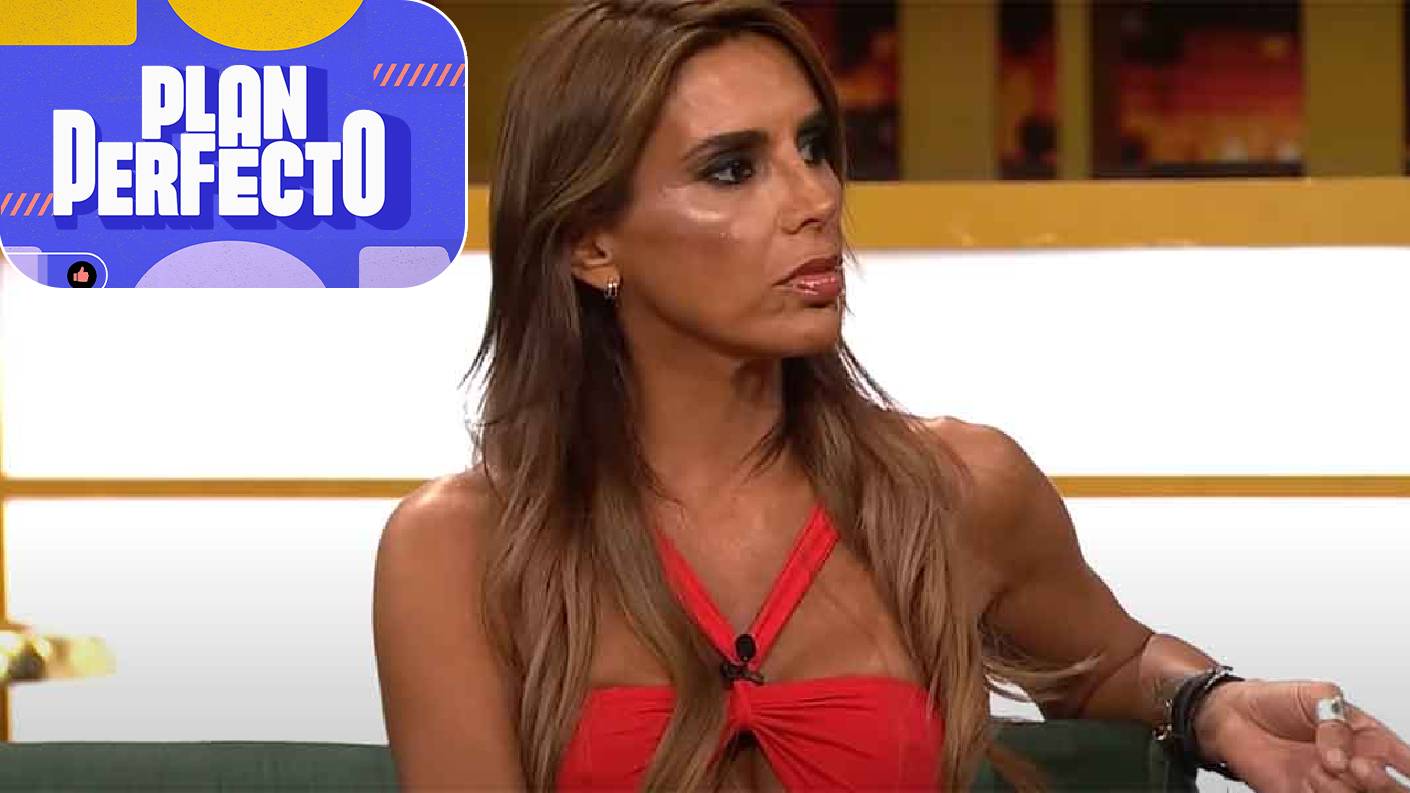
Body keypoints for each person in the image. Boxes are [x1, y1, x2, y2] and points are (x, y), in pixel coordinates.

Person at [372, 1, 1410, 790]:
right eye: (733, 170)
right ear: (591, 243)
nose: (817, 198)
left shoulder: (956, 485)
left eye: (813, 147)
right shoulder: (460, 550)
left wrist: (1212, 706)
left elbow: (1111, 661)